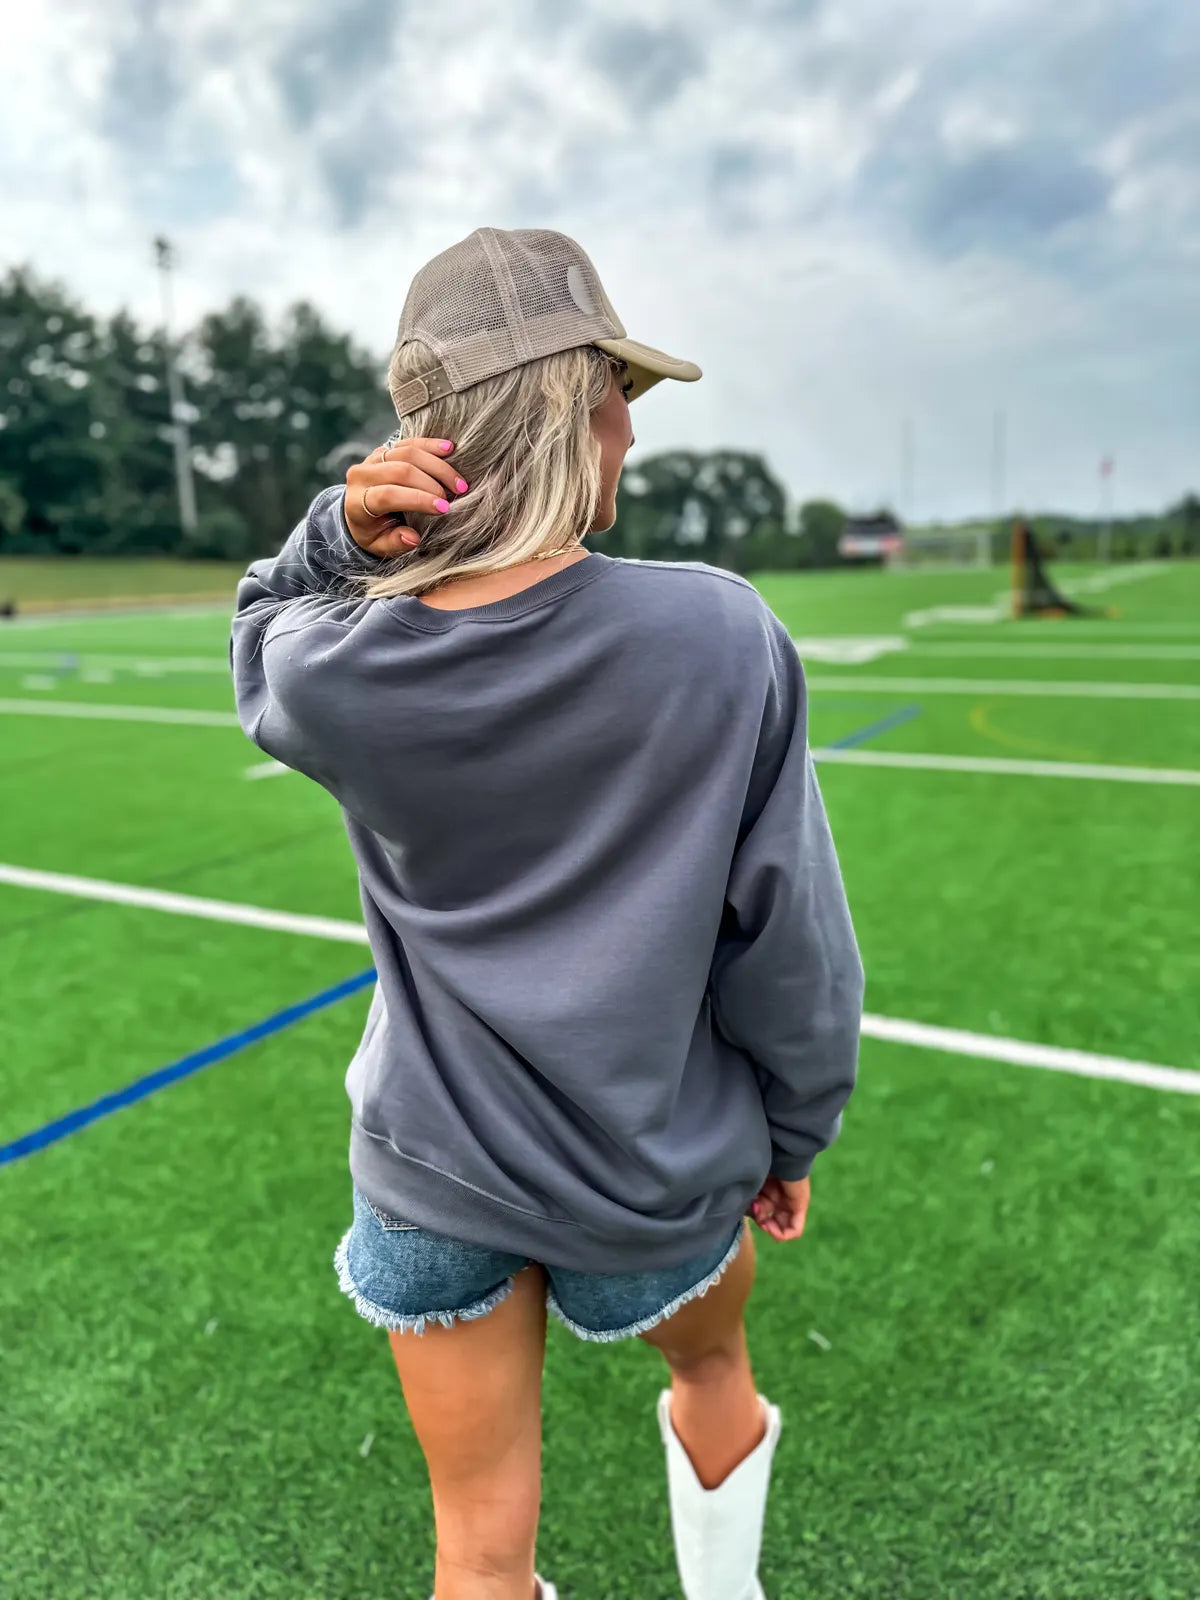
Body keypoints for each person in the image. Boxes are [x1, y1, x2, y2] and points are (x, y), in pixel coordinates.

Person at [231, 227, 863, 1600]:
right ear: (572, 406)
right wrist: (794, 1129)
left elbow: (258, 622)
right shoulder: (719, 635)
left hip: (431, 1167)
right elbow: (791, 945)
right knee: (715, 1366)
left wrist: (335, 533)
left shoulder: (340, 663)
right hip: (654, 1163)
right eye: (618, 392)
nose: (634, 429)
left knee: (478, 1553)